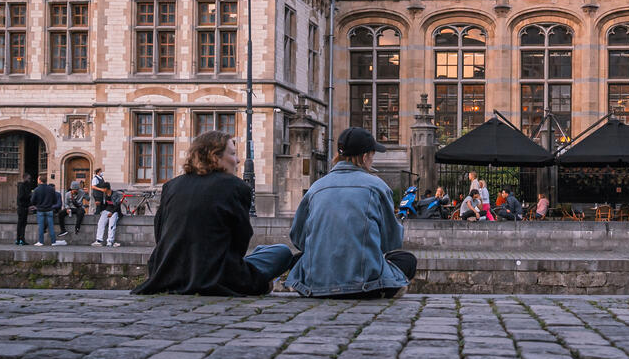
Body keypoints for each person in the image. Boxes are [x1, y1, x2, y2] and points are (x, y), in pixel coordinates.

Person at [134, 131, 297, 295]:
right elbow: (240, 242)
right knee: (281, 252)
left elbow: (160, 234)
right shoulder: (236, 186)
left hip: (166, 274)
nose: (238, 160)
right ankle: (259, 280)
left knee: (261, 252)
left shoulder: (171, 186)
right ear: (215, 157)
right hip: (216, 276)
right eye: (233, 154)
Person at [286, 127, 416, 298]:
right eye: (372, 155)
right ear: (364, 157)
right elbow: (390, 240)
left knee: (298, 259)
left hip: (316, 285)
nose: (372, 160)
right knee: (407, 260)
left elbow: (298, 239)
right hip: (364, 286)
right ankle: (385, 287)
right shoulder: (377, 186)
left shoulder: (315, 188)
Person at [92, 170, 122, 247]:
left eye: (103, 189)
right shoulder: (105, 195)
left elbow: (117, 205)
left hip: (114, 211)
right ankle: (99, 240)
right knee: (101, 223)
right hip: (107, 210)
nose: (103, 190)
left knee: (111, 225)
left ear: (106, 188)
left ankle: (110, 241)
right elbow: (105, 205)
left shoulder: (115, 194)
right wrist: (99, 205)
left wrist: (111, 213)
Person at [31, 177, 65, 246]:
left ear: (40, 181)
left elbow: (32, 201)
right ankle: (53, 241)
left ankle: (41, 241)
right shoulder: (51, 189)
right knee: (51, 226)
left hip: (40, 210)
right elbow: (55, 200)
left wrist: (37, 204)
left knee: (41, 226)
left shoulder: (36, 190)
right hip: (49, 209)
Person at [14, 172, 35, 246]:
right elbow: (21, 197)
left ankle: (20, 239)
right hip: (22, 208)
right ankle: (20, 239)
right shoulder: (22, 186)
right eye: (29, 178)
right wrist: (29, 195)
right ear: (25, 178)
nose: (30, 180)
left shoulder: (25, 186)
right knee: (21, 224)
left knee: (22, 223)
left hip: (24, 207)